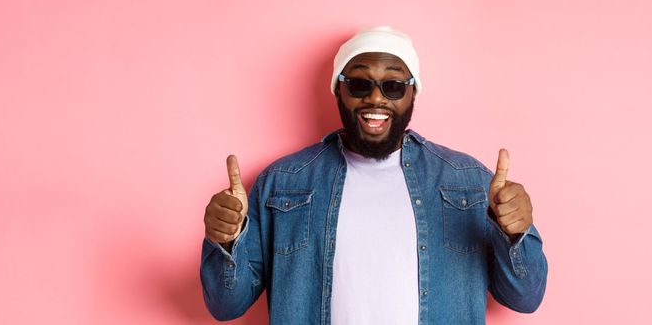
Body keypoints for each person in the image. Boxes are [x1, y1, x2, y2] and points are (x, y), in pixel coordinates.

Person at [200, 26, 548, 324]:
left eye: (393, 85)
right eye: (359, 84)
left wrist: (516, 234)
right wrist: (225, 241)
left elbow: (524, 298)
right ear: (339, 89)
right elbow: (226, 307)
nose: (376, 98)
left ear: (413, 92)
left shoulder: (469, 182)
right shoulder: (283, 182)